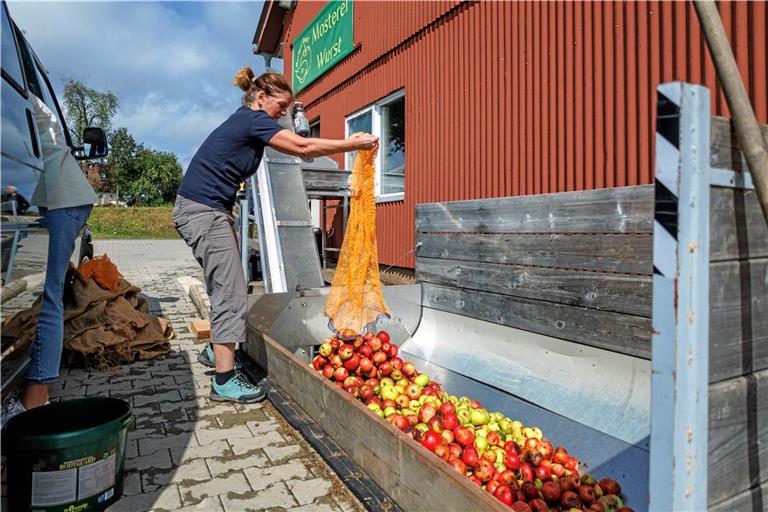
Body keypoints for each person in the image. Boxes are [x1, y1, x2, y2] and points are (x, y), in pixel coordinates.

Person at [173, 68, 378, 404]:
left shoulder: (246, 121)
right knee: (232, 291)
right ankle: (223, 381)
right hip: (204, 211)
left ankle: (216, 351)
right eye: (281, 105)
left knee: (225, 283)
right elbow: (302, 145)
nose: (284, 113)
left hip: (204, 209)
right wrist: (352, 144)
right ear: (261, 98)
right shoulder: (253, 120)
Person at [2, 94, 97, 424]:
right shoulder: (26, 94)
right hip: (54, 199)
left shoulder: (18, 95)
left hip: (61, 201)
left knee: (49, 296)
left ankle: (35, 399)